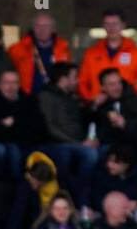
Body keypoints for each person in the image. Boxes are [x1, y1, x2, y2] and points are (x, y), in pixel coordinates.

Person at [37, 62, 98, 209]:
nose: (78, 81)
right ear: (63, 79)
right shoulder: (46, 96)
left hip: (79, 143)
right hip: (56, 144)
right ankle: (78, 203)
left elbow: (83, 122)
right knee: (88, 155)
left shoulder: (73, 98)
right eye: (74, 77)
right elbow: (50, 128)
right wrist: (79, 144)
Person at [0, 69, 47, 181]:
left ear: (19, 84)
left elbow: (40, 128)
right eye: (6, 83)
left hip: (31, 143)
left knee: (57, 152)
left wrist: (14, 123)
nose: (10, 87)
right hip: (8, 146)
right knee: (13, 150)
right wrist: (22, 124)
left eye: (14, 83)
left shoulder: (29, 101)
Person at [77, 9, 137, 102]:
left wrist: (130, 95)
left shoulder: (136, 53)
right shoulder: (91, 53)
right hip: (99, 108)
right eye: (107, 24)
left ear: (123, 25)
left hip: (127, 107)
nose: (111, 28)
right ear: (103, 26)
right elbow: (82, 82)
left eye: (115, 24)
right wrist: (91, 100)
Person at [90, 68, 137, 170]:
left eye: (119, 83)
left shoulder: (134, 100)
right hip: (106, 144)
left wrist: (125, 124)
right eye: (112, 84)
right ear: (103, 87)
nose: (117, 87)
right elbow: (89, 122)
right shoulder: (100, 103)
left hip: (133, 145)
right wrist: (94, 106)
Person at [9, 12, 70, 96]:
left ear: (52, 29)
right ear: (33, 28)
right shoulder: (18, 49)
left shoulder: (63, 49)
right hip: (27, 98)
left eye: (46, 26)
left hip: (55, 98)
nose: (42, 29)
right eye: (38, 26)